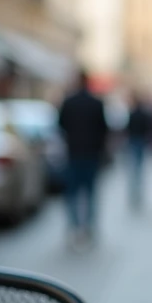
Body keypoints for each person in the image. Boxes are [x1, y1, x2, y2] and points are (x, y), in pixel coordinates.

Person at [57, 69, 108, 249]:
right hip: (91, 154)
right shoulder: (96, 103)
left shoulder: (68, 102)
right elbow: (104, 129)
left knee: (72, 194)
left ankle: (74, 227)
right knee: (90, 193)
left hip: (73, 154)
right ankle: (89, 227)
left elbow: (60, 125)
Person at [124, 91, 152, 208]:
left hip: (134, 141)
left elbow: (128, 128)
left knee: (134, 167)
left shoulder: (133, 113)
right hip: (140, 141)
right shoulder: (142, 113)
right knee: (138, 168)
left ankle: (135, 192)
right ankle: (137, 192)